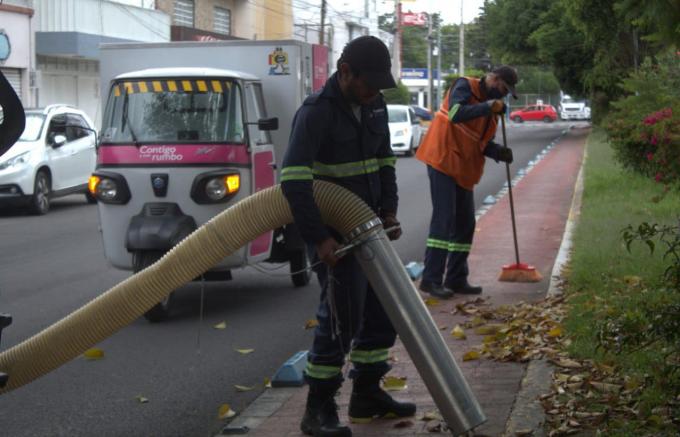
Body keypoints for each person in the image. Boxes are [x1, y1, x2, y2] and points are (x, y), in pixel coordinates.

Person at [281, 36, 416, 437]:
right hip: (335, 237)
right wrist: (318, 238)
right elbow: (293, 180)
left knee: (381, 312)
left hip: (371, 228)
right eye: (367, 82)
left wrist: (389, 209)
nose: (375, 90)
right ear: (344, 73)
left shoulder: (373, 104)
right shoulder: (315, 114)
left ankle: (367, 394)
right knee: (341, 318)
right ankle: (318, 408)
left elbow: (385, 160)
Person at [415, 66, 518, 299]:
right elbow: (455, 113)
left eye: (506, 93)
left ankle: (456, 278)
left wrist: (499, 152)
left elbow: (481, 144)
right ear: (493, 78)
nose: (502, 95)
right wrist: (487, 107)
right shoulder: (464, 86)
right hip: (442, 159)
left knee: (465, 223)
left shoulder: (491, 116)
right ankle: (431, 280)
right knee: (444, 219)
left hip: (463, 169)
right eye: (502, 89)